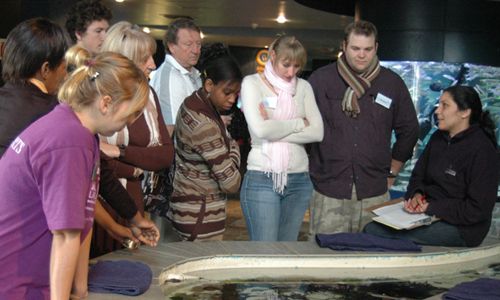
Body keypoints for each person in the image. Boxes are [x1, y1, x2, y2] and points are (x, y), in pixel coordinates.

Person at [0, 51, 149, 299]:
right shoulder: (69, 139)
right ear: (106, 102)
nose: (132, 121)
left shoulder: (80, 132)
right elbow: (65, 235)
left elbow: (83, 214)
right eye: (133, 112)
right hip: (15, 284)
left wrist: (80, 289)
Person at [308, 20, 419, 236]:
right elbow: (303, 127)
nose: (361, 55)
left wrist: (393, 170)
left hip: (374, 191)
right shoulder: (321, 80)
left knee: (372, 259)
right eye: (355, 48)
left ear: (376, 48)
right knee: (327, 260)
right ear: (344, 46)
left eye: (367, 49)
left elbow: (410, 129)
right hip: (329, 190)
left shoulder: (391, 83)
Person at [364, 86, 498, 247]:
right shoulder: (437, 138)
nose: (437, 111)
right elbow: (418, 176)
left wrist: (432, 207)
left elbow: (477, 210)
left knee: (375, 232)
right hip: (427, 214)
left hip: (462, 228)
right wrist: (417, 195)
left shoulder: (483, 150)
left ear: (464, 112)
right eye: (438, 104)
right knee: (372, 226)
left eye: (445, 105)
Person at [96, 21, 174, 252]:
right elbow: (91, 159)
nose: (152, 64)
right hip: (99, 204)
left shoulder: (148, 96)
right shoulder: (96, 94)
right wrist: (135, 168)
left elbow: (165, 155)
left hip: (133, 202)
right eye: (144, 58)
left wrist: (119, 151)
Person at [239, 36, 324, 241]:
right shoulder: (252, 83)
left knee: (287, 252)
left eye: (297, 66)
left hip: (299, 180)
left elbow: (317, 133)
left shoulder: (303, 87)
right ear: (273, 56)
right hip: (262, 177)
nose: (291, 73)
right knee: (265, 252)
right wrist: (297, 123)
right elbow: (260, 131)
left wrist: (274, 125)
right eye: (286, 65)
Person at [169, 45, 242, 241]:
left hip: (191, 209)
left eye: (236, 94)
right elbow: (231, 183)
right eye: (227, 92)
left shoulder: (192, 103)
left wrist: (227, 144)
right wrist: (233, 149)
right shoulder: (204, 125)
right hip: (200, 215)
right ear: (209, 85)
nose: (232, 100)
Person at [150, 17, 202, 136]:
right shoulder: (170, 77)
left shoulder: (192, 72)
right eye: (188, 44)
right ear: (172, 47)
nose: (195, 50)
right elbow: (172, 128)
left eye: (198, 44)